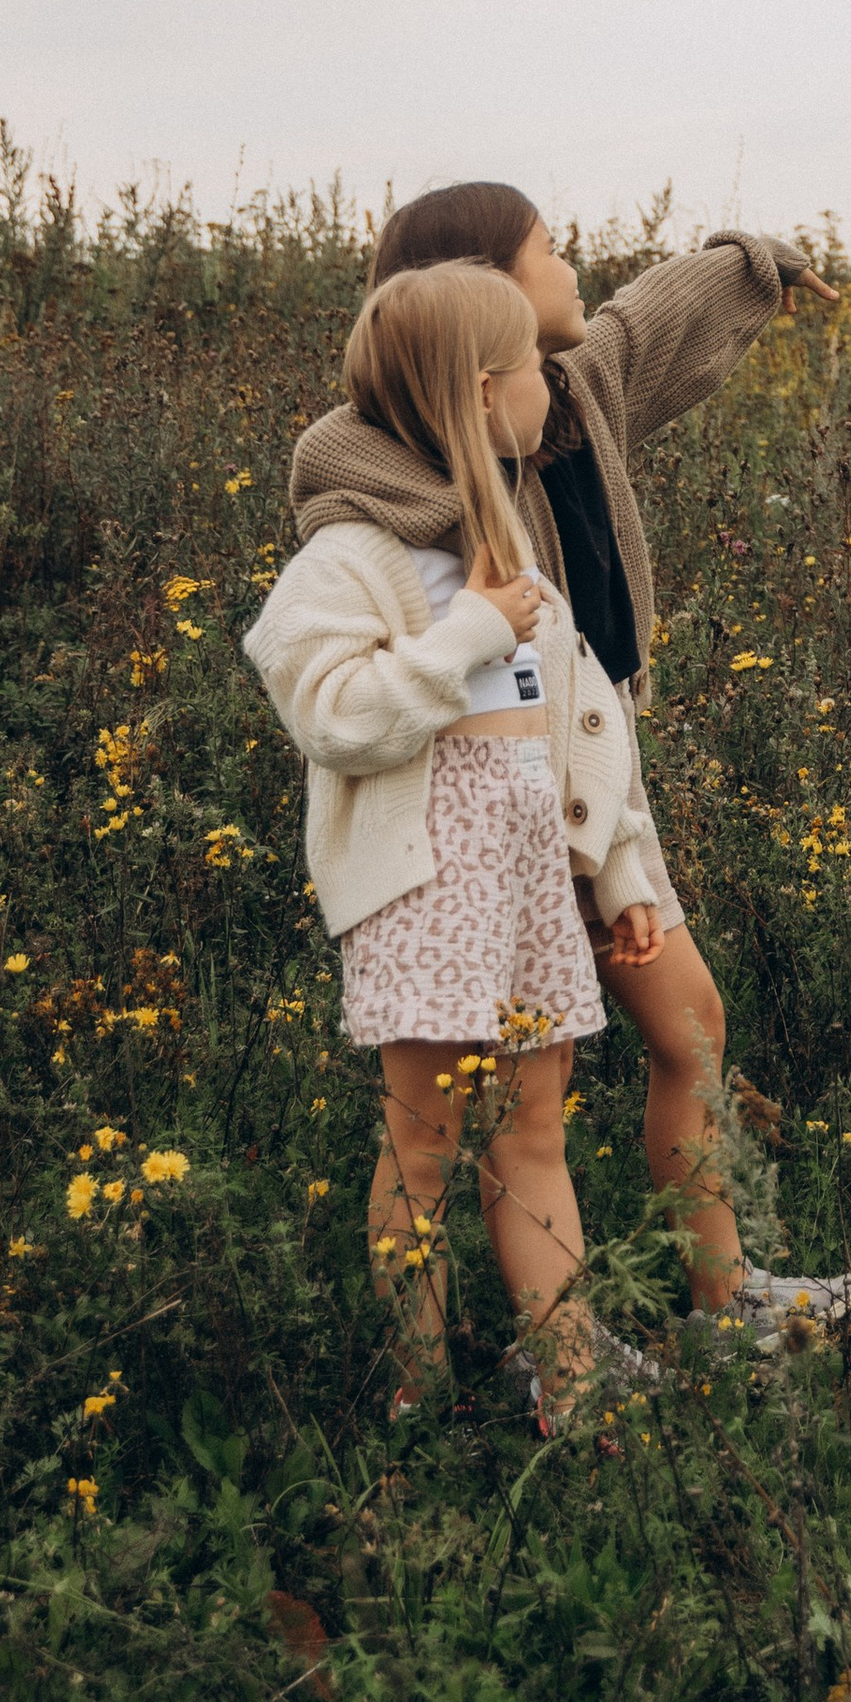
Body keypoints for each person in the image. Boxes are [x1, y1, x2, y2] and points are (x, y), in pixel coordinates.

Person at [322, 182, 851, 1350]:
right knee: (486, 1118)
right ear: (479, 306)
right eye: (549, 250)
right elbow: (358, 526)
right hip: (482, 806)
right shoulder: (394, 471)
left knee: (688, 1032)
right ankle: (509, 1362)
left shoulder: (575, 391)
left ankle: (721, 1307)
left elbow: (656, 311)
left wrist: (762, 256)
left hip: (595, 786)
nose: (576, 265)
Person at [246, 258, 647, 1432]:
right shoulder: (355, 558)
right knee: (422, 1147)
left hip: (524, 891)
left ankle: (569, 1389)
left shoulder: (513, 545)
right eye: (535, 371)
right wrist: (469, 629)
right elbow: (330, 714)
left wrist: (614, 867)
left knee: (532, 1129)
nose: (552, 392)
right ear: (483, 393)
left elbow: (580, 730)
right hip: (426, 894)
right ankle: (419, 1399)